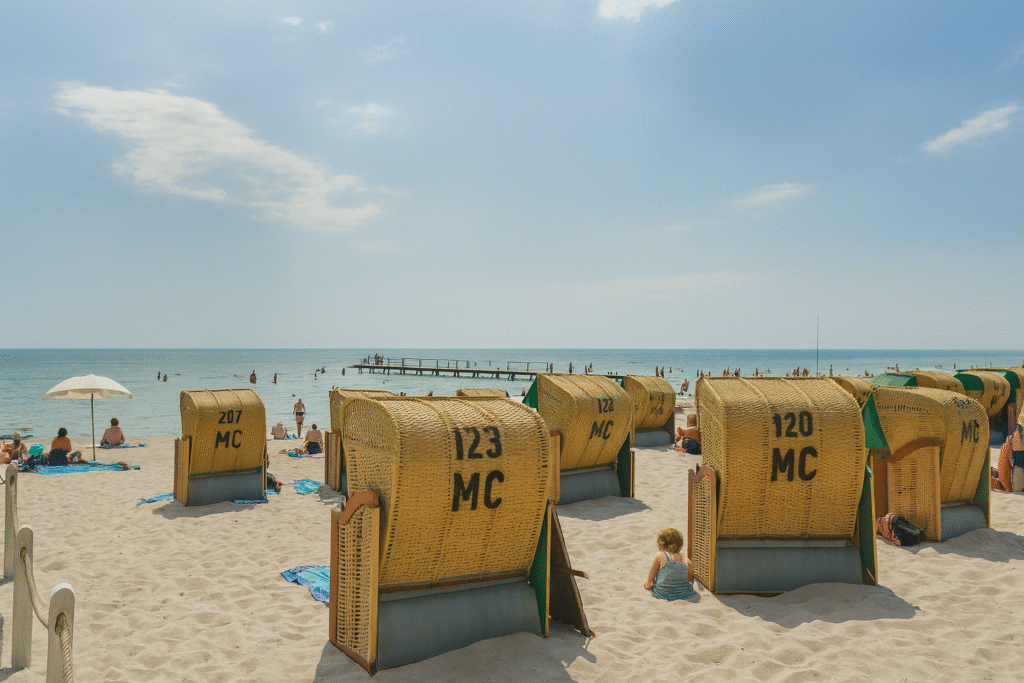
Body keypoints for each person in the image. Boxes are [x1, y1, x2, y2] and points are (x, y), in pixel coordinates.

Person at [644, 528, 696, 601]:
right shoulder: (686, 559)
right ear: (680, 544)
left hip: (662, 594)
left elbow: (650, 582)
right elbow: (690, 581)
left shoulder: (659, 556)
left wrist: (646, 585)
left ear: (661, 544)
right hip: (685, 594)